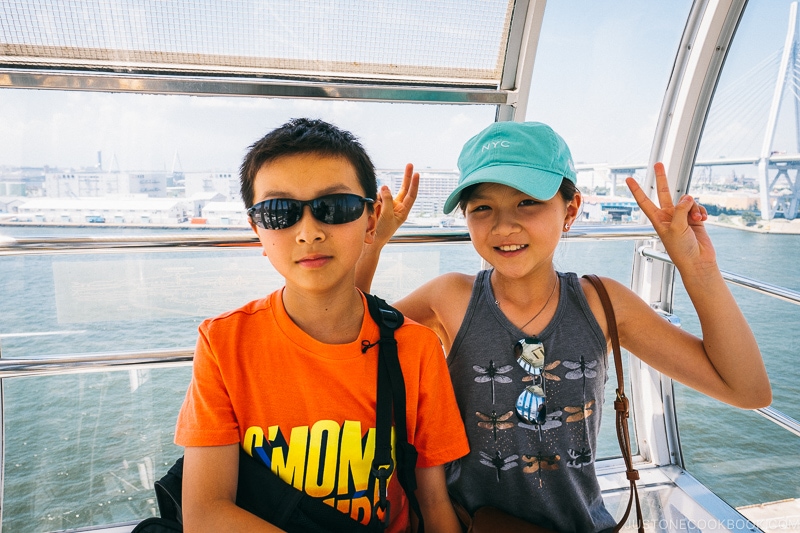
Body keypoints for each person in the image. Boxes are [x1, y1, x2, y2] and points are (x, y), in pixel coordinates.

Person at [356, 121, 771, 532]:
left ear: (570, 210)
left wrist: (698, 268)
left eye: (527, 202)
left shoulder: (602, 303)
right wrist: (372, 246)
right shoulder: (450, 298)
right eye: (482, 208)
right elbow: (351, 342)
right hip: (472, 524)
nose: (503, 226)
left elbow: (746, 389)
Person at [174, 118, 469, 533]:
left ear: (371, 220)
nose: (308, 232)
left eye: (335, 207)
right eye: (280, 213)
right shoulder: (224, 344)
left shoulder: (415, 348)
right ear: (256, 229)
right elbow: (205, 515)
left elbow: (433, 500)